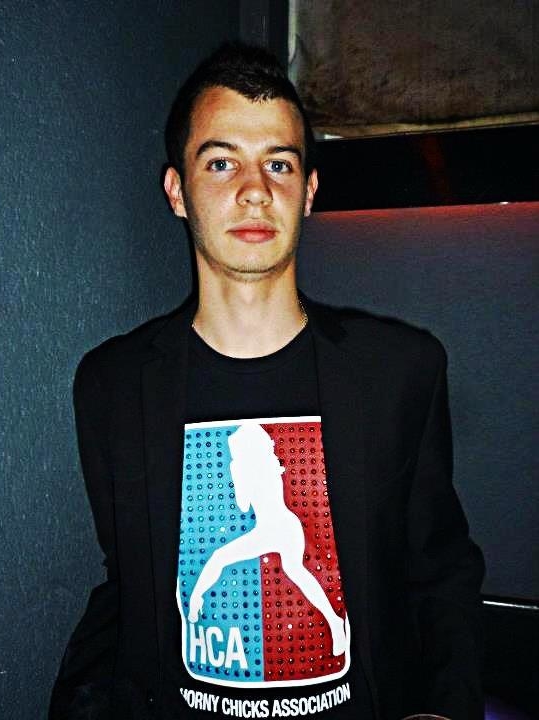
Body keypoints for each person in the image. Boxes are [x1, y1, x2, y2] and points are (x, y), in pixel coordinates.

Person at [50, 43, 485, 720]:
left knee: (288, 578)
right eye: (221, 162)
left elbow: (439, 570)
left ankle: (327, 632)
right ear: (177, 192)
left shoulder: (403, 370)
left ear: (307, 192)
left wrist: (443, 708)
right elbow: (127, 587)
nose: (254, 190)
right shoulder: (111, 385)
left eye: (278, 163)